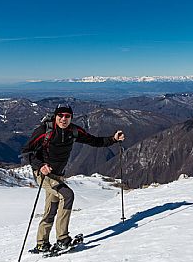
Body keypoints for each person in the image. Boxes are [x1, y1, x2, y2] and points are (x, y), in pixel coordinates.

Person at [21, 105, 125, 253]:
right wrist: (40, 165)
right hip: (43, 174)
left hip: (58, 175)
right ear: (55, 116)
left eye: (67, 116)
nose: (64, 119)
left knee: (51, 208)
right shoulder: (44, 131)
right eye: (61, 115)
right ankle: (62, 239)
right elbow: (26, 151)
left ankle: (42, 243)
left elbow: (94, 141)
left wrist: (113, 139)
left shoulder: (74, 131)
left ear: (71, 118)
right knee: (67, 195)